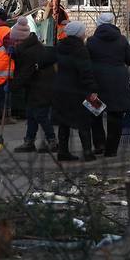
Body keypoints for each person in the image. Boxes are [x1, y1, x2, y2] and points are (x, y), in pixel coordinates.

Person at [86, 10, 130, 157]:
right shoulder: (121, 40)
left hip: (97, 83)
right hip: (118, 83)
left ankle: (99, 144)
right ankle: (111, 150)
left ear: (98, 24)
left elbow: (85, 62)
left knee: (94, 114)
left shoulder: (91, 41)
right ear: (112, 23)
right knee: (116, 116)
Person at [52, 20, 100, 162]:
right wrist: (92, 89)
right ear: (79, 34)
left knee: (63, 122)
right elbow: (85, 72)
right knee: (83, 122)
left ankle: (63, 152)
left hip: (60, 89)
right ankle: (87, 152)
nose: (85, 34)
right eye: (83, 31)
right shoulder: (80, 49)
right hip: (77, 90)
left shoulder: (60, 46)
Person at [9, 17, 56, 153]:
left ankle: (52, 140)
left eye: (16, 41)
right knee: (31, 114)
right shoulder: (30, 47)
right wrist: (14, 55)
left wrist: (12, 87)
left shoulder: (30, 52)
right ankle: (29, 141)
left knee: (40, 114)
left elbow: (25, 73)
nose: (14, 43)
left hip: (41, 87)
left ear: (21, 39)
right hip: (36, 86)